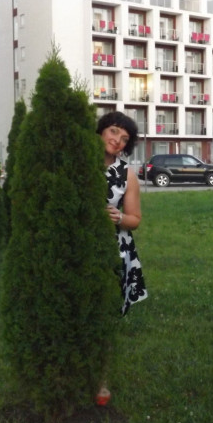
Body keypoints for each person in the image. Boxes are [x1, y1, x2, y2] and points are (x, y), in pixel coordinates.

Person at [96, 111, 148, 405]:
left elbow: (135, 219)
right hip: (79, 247)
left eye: (125, 138)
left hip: (114, 251)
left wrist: (118, 217)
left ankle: (101, 379)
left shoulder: (126, 174)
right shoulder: (77, 164)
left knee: (105, 315)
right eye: (114, 131)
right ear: (101, 131)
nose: (118, 140)